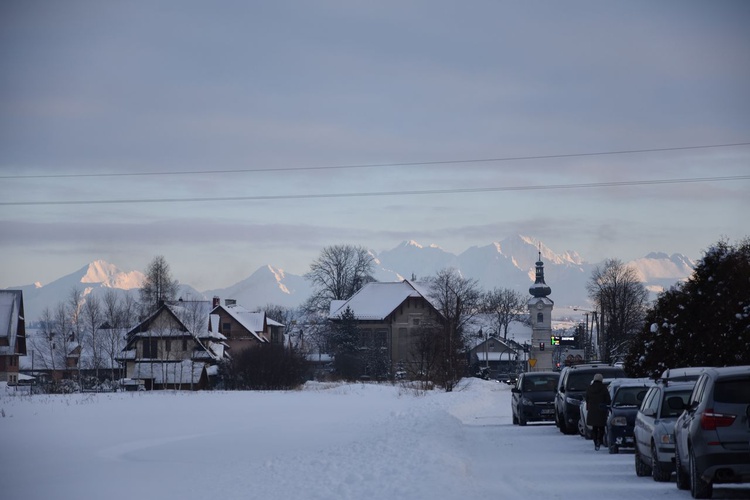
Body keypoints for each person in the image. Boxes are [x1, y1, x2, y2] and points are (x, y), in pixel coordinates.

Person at [585, 373, 611, 451]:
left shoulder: (590, 388)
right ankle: (599, 440)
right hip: (601, 410)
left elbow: (587, 398)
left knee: (594, 428)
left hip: (592, 410)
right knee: (602, 427)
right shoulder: (604, 388)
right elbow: (608, 399)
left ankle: (595, 441)